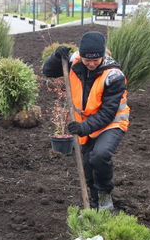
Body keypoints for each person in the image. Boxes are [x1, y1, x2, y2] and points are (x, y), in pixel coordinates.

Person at [42, 31, 130, 211]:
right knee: (88, 166)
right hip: (87, 124)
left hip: (112, 123)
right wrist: (57, 57)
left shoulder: (114, 76)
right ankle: (96, 207)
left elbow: (107, 113)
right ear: (81, 55)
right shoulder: (75, 63)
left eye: (95, 60)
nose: (90, 64)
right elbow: (48, 71)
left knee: (100, 155)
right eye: (86, 60)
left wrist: (83, 127)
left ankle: (106, 197)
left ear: (103, 56)